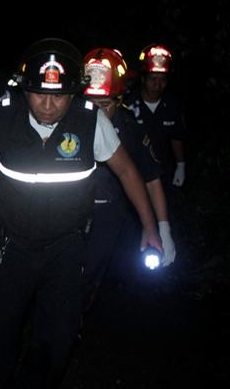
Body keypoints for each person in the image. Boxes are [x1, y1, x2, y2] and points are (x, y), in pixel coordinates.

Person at [0, 38, 162, 389]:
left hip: (65, 249)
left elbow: (129, 172)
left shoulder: (90, 120)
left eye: (59, 96)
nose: (49, 105)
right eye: (39, 94)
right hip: (11, 245)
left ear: (73, 94)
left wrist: (151, 226)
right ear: (26, 90)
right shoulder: (3, 116)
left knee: (58, 337)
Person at [81, 47, 176, 313]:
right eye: (92, 104)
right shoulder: (69, 122)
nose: (97, 111)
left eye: (105, 104)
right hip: (69, 212)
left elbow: (151, 180)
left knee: (94, 275)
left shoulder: (131, 129)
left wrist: (162, 229)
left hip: (110, 215)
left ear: (119, 97)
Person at [125, 44, 186, 204]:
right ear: (143, 79)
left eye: (162, 80)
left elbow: (176, 136)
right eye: (153, 79)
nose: (157, 85)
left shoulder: (171, 105)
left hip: (163, 171)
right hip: (135, 172)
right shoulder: (128, 104)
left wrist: (181, 164)